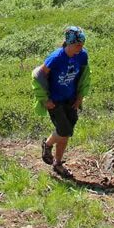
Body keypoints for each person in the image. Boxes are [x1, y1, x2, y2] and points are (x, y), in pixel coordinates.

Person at [32, 25, 91, 178]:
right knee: (64, 130)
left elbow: (84, 77)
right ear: (69, 43)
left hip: (70, 99)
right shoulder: (56, 57)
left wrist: (80, 97)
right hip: (55, 101)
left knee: (66, 134)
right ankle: (48, 145)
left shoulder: (82, 55)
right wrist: (45, 100)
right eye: (78, 44)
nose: (80, 47)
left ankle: (57, 164)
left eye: (82, 44)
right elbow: (38, 76)